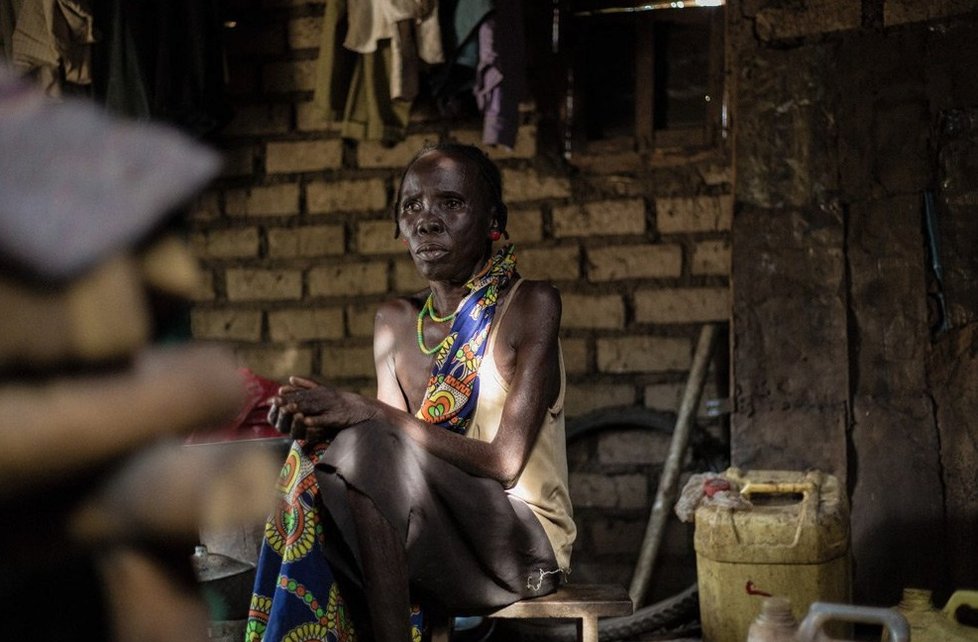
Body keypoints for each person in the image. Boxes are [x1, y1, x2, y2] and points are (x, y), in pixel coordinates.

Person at [248, 142, 576, 641]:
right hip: (430, 541)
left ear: (493, 221)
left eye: (451, 203)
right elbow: (391, 470)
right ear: (399, 230)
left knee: (365, 440)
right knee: (319, 455)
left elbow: (505, 462)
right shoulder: (396, 321)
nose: (426, 220)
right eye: (411, 207)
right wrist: (329, 426)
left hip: (521, 547)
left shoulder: (531, 305)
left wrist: (365, 413)